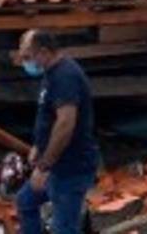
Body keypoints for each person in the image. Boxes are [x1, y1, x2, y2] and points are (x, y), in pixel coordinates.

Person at [15, 29, 99, 234]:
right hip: (57, 164)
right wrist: (38, 146)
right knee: (25, 201)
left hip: (71, 167)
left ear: (43, 52)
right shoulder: (51, 74)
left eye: (27, 57)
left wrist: (44, 167)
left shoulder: (65, 76)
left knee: (64, 228)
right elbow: (50, 118)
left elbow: (65, 125)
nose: (25, 63)